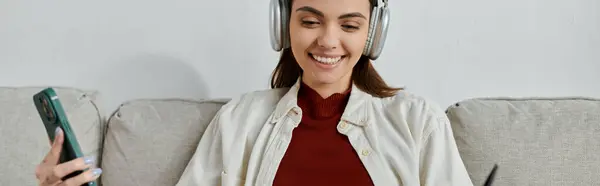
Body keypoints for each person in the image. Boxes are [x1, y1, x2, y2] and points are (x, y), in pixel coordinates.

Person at [34, 0, 474, 185]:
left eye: (350, 25)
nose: (328, 41)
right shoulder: (242, 118)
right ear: (282, 22)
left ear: (373, 35)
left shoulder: (418, 122)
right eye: (310, 20)